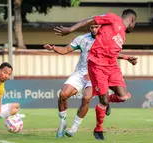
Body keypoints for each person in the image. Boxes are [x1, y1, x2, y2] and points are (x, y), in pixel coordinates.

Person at [54, 9, 137, 140]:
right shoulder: (113, 18)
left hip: (112, 66)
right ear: (133, 20)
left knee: (123, 97)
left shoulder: (122, 34)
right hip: (97, 66)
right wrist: (70, 29)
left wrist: (127, 58)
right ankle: (98, 129)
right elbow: (89, 19)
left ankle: (106, 99)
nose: (94, 29)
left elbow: (111, 51)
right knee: (94, 99)